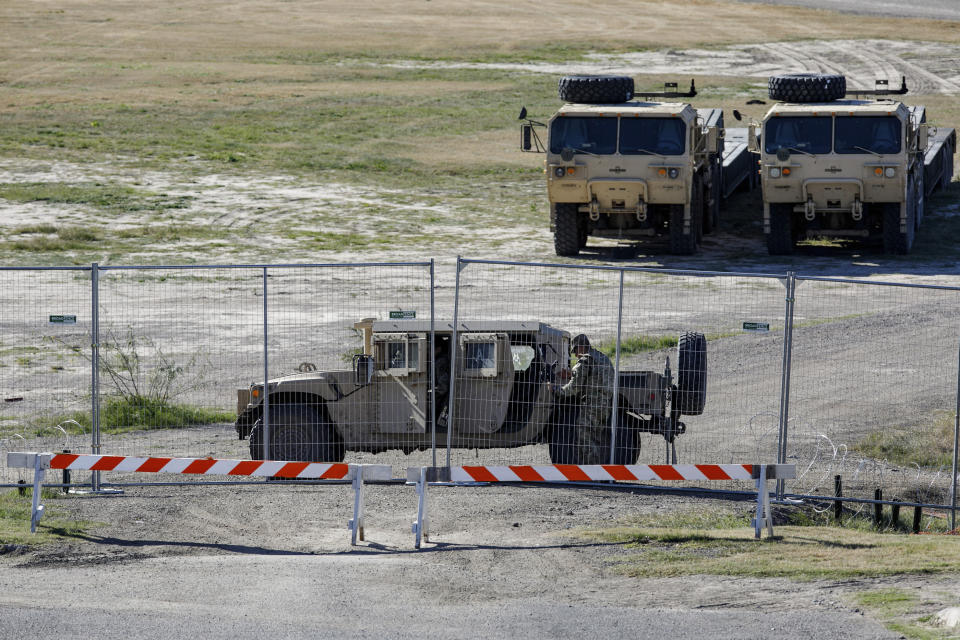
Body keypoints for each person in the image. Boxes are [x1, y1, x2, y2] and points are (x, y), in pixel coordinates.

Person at [553, 333, 614, 464]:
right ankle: (597, 473)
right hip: (604, 406)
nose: (575, 355)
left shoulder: (585, 360)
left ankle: (591, 474)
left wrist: (556, 390)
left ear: (581, 347)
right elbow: (595, 377)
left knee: (585, 440)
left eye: (575, 350)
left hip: (591, 406)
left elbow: (574, 388)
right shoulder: (602, 358)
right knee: (596, 440)